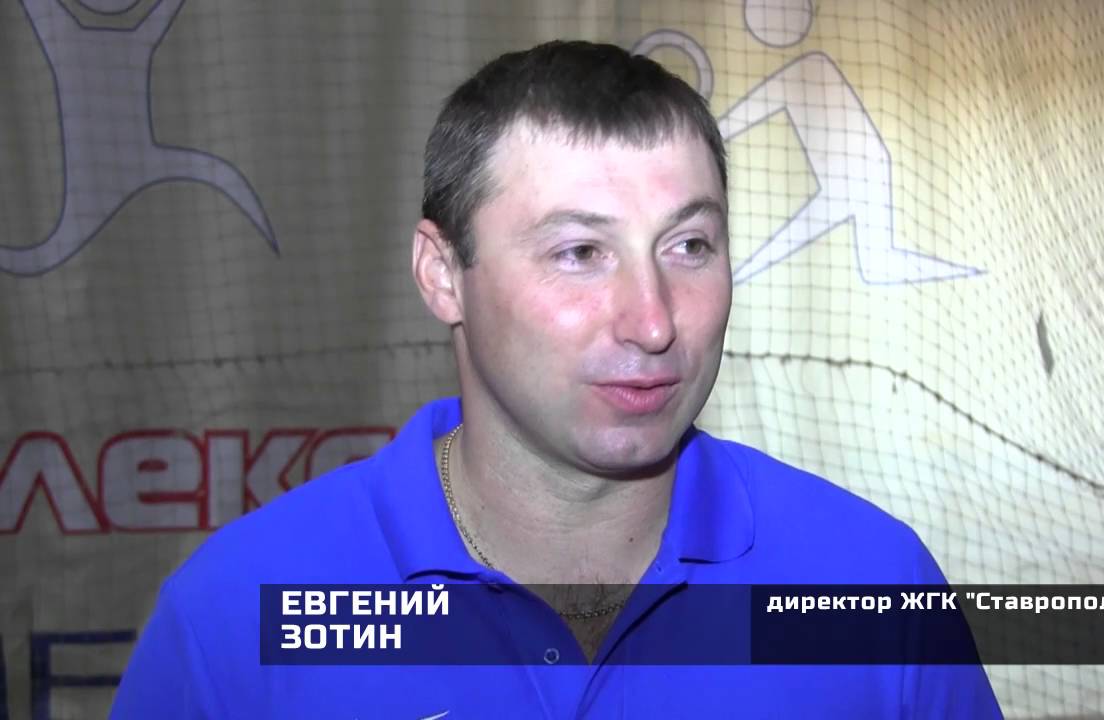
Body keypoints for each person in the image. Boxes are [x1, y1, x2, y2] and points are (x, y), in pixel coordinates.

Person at [111, 40, 1002, 718]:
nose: (653, 321)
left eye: (689, 245)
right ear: (442, 275)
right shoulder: (234, 615)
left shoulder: (874, 584)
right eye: (579, 252)